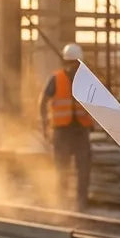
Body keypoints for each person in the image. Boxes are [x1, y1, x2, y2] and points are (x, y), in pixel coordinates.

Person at [39, 43, 93, 212]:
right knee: (62, 169)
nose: (73, 67)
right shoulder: (56, 79)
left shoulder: (87, 81)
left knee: (83, 168)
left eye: (76, 64)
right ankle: (62, 204)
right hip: (62, 131)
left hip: (80, 131)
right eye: (71, 63)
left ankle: (81, 204)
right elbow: (42, 102)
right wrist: (45, 125)